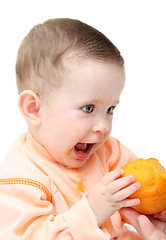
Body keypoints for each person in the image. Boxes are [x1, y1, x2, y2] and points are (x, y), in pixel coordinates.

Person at [0, 18, 165, 239]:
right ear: (34, 109)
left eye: (109, 109)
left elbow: (137, 205)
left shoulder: (109, 154)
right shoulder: (19, 180)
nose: (104, 127)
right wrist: (93, 212)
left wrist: (154, 213)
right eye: (88, 108)